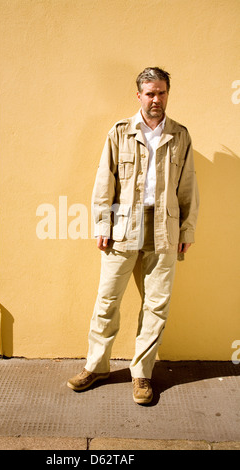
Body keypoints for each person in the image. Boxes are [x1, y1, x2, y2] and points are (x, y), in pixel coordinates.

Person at [67, 67, 199, 404]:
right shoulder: (120, 132)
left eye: (162, 93)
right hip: (123, 225)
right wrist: (102, 225)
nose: (156, 99)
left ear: (168, 94)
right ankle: (96, 367)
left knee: (156, 305)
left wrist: (186, 229)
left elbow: (188, 188)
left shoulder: (180, 135)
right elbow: (104, 181)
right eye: (150, 93)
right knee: (108, 299)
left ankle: (142, 375)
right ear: (138, 95)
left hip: (165, 228)